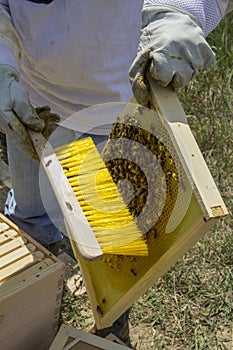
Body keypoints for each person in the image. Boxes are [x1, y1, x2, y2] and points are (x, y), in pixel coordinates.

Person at [0, 0, 232, 345]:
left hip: (113, 109)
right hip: (31, 101)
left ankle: (111, 322)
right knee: (31, 214)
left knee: (113, 243)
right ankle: (34, 300)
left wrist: (181, 12)